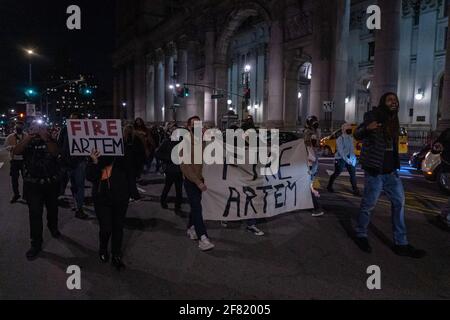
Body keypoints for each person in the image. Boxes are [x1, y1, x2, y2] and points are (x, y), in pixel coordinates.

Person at [353, 92, 425, 258]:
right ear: (383, 102)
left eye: (395, 100)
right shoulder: (373, 115)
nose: (394, 102)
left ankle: (401, 243)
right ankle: (361, 234)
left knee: (399, 204)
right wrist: (365, 128)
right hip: (375, 172)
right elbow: (357, 134)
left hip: (391, 172)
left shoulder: (394, 119)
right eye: (390, 99)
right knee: (368, 205)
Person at [86, 126, 138, 270]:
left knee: (118, 227)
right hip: (102, 197)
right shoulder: (95, 153)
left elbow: (132, 172)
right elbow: (90, 176)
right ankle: (103, 248)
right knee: (106, 228)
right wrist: (94, 162)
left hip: (121, 197)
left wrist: (133, 193)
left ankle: (116, 254)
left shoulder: (125, 152)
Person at [14, 120, 61, 260]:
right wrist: (29, 136)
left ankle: (53, 227)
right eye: (36, 127)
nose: (39, 129)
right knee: (35, 214)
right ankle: (36, 243)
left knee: (53, 209)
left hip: (51, 183)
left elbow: (55, 153)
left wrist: (46, 137)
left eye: (41, 127)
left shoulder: (51, 139)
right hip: (33, 185)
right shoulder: (28, 140)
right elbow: (16, 151)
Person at [181, 116, 215, 251]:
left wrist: (209, 135)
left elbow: (217, 149)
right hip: (191, 181)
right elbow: (185, 166)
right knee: (197, 207)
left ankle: (190, 227)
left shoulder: (203, 140)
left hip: (202, 179)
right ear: (189, 127)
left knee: (195, 206)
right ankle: (203, 237)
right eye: (194, 124)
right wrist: (197, 182)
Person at [57, 113, 89, 219]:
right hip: (68, 162)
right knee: (74, 185)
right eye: (71, 119)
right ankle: (77, 203)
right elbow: (59, 144)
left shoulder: (85, 130)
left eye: (76, 119)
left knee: (80, 185)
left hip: (80, 161)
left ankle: (80, 208)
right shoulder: (64, 130)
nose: (73, 121)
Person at [155, 122, 183, 212]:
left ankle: (177, 206)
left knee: (179, 189)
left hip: (180, 169)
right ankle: (163, 201)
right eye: (173, 130)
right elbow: (158, 153)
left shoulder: (183, 142)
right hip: (170, 168)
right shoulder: (166, 142)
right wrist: (169, 158)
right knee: (167, 186)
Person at [327, 123, 360, 196]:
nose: (350, 130)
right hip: (340, 158)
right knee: (337, 173)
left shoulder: (350, 138)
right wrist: (347, 160)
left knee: (353, 174)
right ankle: (329, 186)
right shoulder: (340, 139)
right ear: (344, 130)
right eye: (348, 129)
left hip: (348, 157)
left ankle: (355, 190)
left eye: (350, 129)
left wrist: (353, 159)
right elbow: (341, 151)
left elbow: (352, 149)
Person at [304, 116, 324, 217]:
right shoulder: (312, 134)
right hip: (311, 164)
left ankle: (316, 208)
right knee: (308, 186)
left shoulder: (312, 134)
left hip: (311, 164)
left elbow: (313, 149)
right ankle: (312, 206)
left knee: (308, 186)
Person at [4, 121, 27, 203]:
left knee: (26, 179)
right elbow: (6, 147)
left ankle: (25, 196)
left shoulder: (26, 136)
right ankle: (16, 194)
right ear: (15, 128)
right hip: (14, 161)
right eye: (17, 127)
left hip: (24, 160)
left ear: (23, 127)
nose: (18, 128)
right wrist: (13, 147)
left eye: (20, 127)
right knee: (14, 179)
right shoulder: (10, 137)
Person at [433, 128, 450, 227]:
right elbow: (435, 147)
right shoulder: (447, 133)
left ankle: (443, 216)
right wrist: (436, 147)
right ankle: (446, 219)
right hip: (448, 169)